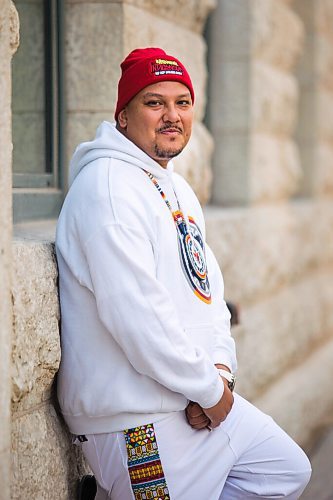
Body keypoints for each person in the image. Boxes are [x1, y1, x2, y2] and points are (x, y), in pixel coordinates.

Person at [56, 47, 311, 500]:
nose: (172, 115)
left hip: (194, 400)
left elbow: (208, 295)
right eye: (154, 102)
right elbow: (138, 318)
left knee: (284, 470)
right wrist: (210, 392)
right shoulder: (108, 189)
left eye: (182, 102)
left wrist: (220, 373)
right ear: (123, 116)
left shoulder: (176, 189)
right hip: (135, 421)